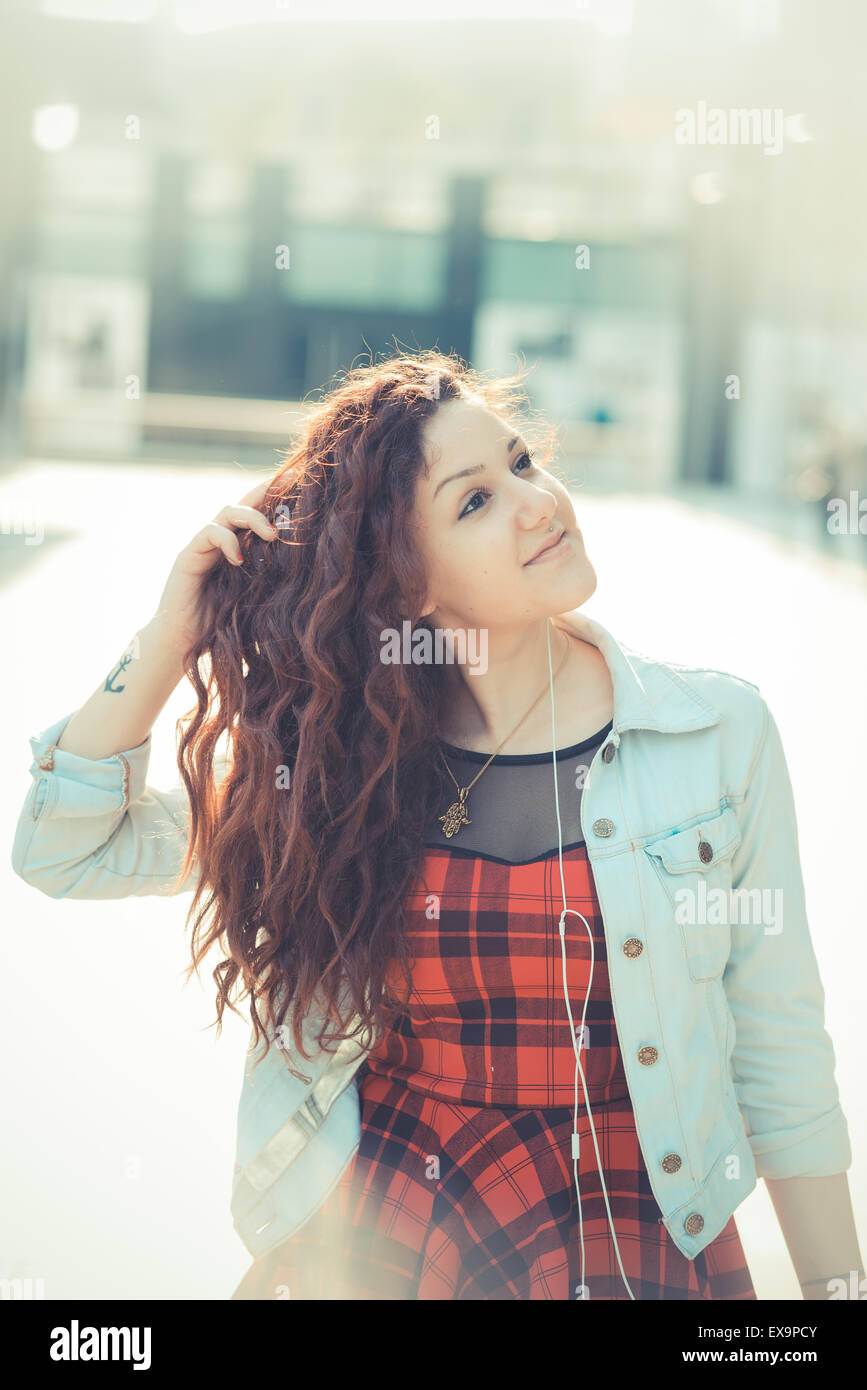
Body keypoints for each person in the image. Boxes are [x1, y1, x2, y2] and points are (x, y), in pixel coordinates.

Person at [12, 350, 860, 1300]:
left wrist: (832, 1294)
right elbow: (60, 847)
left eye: (521, 465)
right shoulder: (343, 771)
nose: (538, 503)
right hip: (381, 1240)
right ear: (408, 588)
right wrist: (169, 636)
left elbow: (780, 1050)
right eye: (474, 502)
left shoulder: (713, 736)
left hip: (628, 1230)